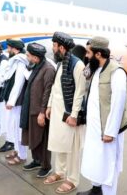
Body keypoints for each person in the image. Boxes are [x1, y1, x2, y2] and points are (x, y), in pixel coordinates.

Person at [78, 36, 127, 195]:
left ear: (99, 54)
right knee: (96, 160)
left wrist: (110, 131)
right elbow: (84, 74)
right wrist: (89, 62)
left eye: (88, 52)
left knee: (109, 165)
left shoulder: (117, 71)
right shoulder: (96, 68)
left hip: (108, 128)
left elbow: (118, 103)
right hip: (94, 126)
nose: (86, 56)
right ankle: (96, 189)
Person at [43, 32, 86, 194]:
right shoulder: (61, 64)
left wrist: (74, 115)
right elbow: (55, 88)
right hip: (57, 112)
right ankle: (60, 172)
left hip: (70, 114)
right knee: (59, 143)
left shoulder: (78, 65)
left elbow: (80, 93)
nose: (53, 49)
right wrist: (49, 106)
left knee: (72, 147)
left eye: (54, 45)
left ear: (61, 47)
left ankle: (72, 179)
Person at [20, 42, 55, 178]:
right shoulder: (37, 66)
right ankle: (36, 160)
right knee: (33, 138)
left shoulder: (48, 69)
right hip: (31, 109)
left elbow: (48, 92)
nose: (27, 57)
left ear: (36, 57)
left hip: (40, 112)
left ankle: (46, 166)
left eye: (29, 55)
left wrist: (42, 112)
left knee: (43, 139)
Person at [0, 38, 28, 163]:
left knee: (18, 128)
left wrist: (11, 101)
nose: (8, 50)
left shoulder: (21, 61)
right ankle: (17, 150)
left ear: (15, 49)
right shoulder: (16, 61)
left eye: (9, 47)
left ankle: (22, 156)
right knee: (13, 127)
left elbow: (18, 83)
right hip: (14, 101)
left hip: (18, 101)